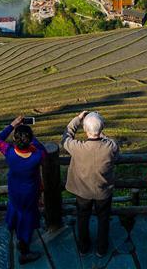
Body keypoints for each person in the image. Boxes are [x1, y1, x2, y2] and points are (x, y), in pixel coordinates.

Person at [62, 110, 119, 257]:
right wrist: (100, 132)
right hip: (103, 192)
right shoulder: (111, 147)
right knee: (103, 219)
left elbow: (66, 137)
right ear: (102, 128)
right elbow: (114, 150)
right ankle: (101, 249)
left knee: (82, 218)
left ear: (85, 129)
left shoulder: (77, 147)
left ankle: (83, 247)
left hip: (82, 192)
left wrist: (78, 118)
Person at [0, 115, 46, 265]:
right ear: (29, 140)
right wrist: (31, 137)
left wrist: (13, 125)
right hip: (29, 194)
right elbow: (43, 149)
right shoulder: (37, 155)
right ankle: (24, 252)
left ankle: (19, 238)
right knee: (26, 221)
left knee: (17, 214)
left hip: (14, 191)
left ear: (15, 139)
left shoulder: (9, 152)